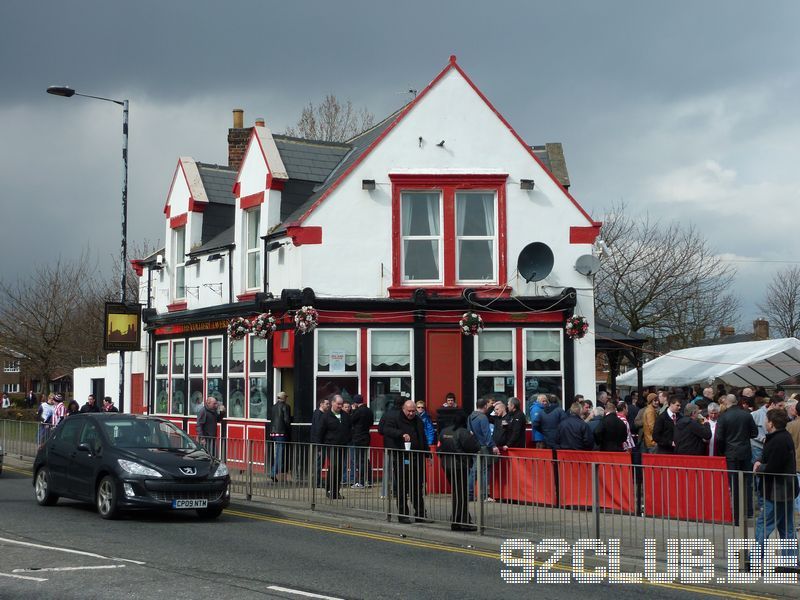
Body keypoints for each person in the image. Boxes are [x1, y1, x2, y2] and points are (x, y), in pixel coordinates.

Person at [753, 408, 798, 557]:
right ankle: (790, 559)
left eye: (766, 420)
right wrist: (760, 461)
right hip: (785, 489)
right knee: (786, 527)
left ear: (771, 423)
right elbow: (766, 457)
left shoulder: (778, 440)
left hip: (776, 490)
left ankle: (754, 559)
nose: (765, 422)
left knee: (764, 524)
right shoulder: (782, 437)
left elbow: (773, 465)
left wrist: (760, 467)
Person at [381, 399, 428, 523]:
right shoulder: (395, 418)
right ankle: (403, 514)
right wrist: (401, 434)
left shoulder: (418, 420)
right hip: (401, 456)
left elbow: (422, 436)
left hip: (417, 456)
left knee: (417, 486)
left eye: (413, 411)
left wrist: (427, 452)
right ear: (403, 409)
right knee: (402, 486)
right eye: (409, 411)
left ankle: (420, 513)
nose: (411, 413)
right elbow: (385, 430)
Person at [716, 393, 758, 522]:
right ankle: (749, 511)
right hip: (745, 452)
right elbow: (754, 433)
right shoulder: (746, 415)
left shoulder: (723, 417)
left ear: (727, 403)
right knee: (747, 483)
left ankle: (737, 515)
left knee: (734, 485)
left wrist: (721, 452)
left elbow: (719, 438)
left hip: (731, 454)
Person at [438, 411, 480, 531]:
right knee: (461, 493)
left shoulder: (444, 431)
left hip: (446, 464)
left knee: (457, 493)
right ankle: (459, 521)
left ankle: (462, 518)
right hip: (460, 465)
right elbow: (475, 447)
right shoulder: (463, 432)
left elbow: (439, 447)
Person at [317, 395, 352, 500]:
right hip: (331, 446)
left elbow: (350, 429)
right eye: (338, 404)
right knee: (335, 467)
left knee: (340, 468)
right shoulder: (325, 416)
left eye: (341, 404)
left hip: (343, 445)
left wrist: (348, 439)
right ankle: (330, 490)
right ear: (332, 403)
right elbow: (320, 432)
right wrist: (319, 447)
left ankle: (335, 491)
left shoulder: (345, 416)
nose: (340, 406)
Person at [468, 397, 500, 501]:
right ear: (485, 406)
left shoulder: (470, 416)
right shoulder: (483, 418)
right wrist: (494, 446)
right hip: (484, 447)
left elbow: (470, 432)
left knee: (474, 471)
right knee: (485, 470)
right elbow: (487, 434)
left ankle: (470, 494)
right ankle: (484, 495)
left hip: (474, 446)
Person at [350, 395, 374, 487]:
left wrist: (353, 410)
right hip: (366, 436)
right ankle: (369, 480)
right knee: (365, 459)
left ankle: (361, 481)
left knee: (359, 460)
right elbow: (371, 423)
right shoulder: (369, 410)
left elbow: (351, 420)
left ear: (355, 403)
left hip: (358, 437)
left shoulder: (358, 411)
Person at [269, 391, 292, 481]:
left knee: (277, 453)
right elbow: (286, 420)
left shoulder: (273, 407)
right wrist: (289, 431)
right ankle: (274, 472)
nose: (286, 398)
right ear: (284, 398)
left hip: (273, 432)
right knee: (280, 453)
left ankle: (275, 472)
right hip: (282, 432)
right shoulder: (286, 407)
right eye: (286, 397)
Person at [310, 398, 331, 486]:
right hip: (319, 443)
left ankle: (317, 481)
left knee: (319, 462)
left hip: (319, 442)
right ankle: (317, 481)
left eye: (328, 404)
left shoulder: (318, 413)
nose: (328, 405)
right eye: (326, 404)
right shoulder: (319, 414)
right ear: (321, 404)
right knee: (319, 463)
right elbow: (318, 430)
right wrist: (319, 445)